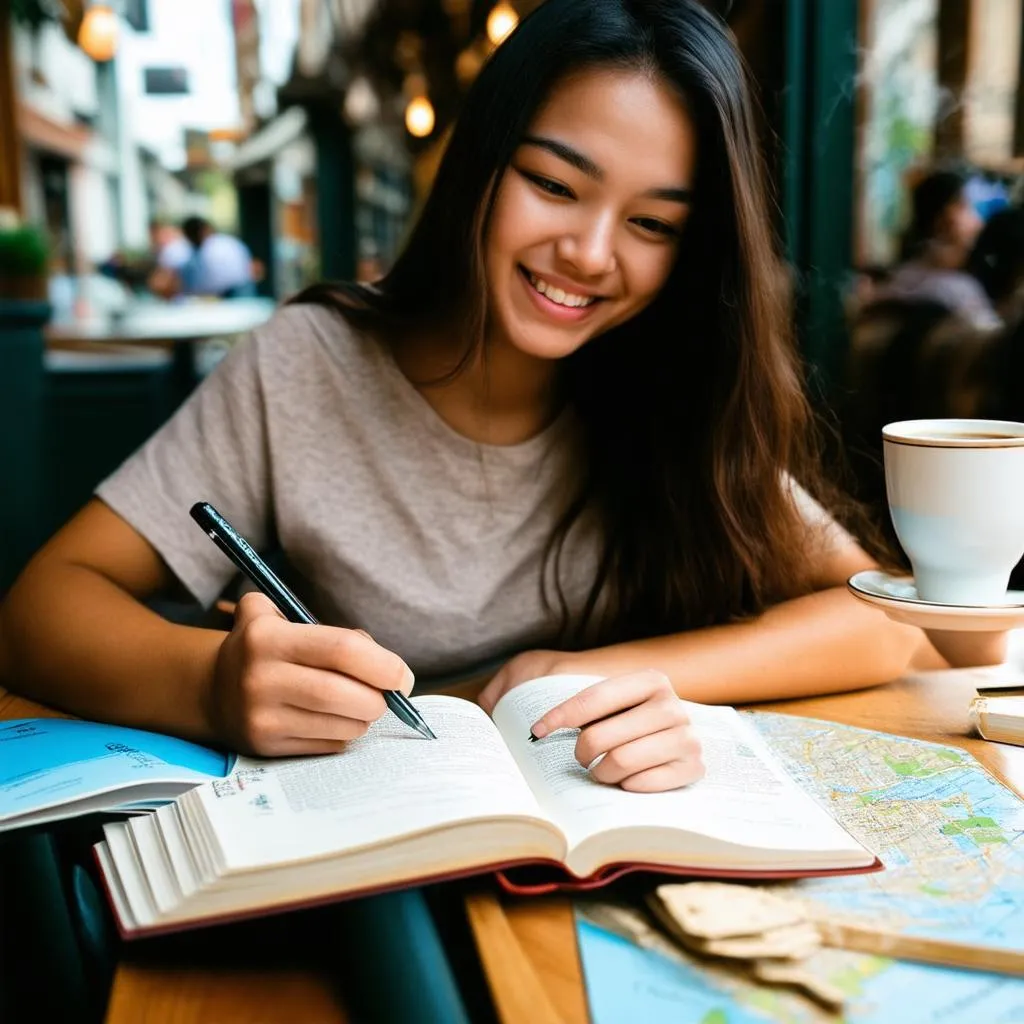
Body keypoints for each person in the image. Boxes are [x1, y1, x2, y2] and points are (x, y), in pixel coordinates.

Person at [0, 0, 1004, 797]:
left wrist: (596, 672)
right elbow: (41, 609)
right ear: (480, 164)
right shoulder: (305, 366)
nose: (591, 254)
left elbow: (891, 618)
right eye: (555, 185)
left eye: (653, 226)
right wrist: (213, 687)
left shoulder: (668, 388)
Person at [875, 169, 999, 329]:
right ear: (940, 218)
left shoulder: (904, 275)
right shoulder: (954, 289)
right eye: (965, 207)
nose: (977, 220)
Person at [175, 216, 257, 299]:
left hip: (234, 292)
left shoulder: (211, 247)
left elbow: (209, 281)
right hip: (238, 289)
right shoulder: (229, 241)